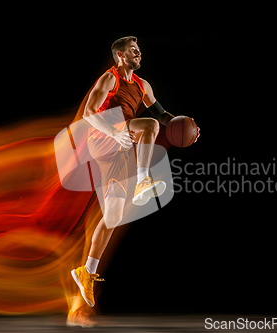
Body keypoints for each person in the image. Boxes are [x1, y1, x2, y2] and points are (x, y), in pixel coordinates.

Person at [70, 36, 199, 312]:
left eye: (138, 49)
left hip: (120, 143)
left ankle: (86, 270)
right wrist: (114, 131)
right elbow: (88, 113)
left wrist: (187, 127)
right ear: (119, 55)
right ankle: (143, 181)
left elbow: (165, 118)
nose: (138, 53)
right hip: (104, 134)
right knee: (148, 125)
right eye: (132, 50)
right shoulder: (110, 79)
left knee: (114, 215)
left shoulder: (143, 86)